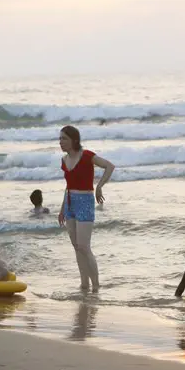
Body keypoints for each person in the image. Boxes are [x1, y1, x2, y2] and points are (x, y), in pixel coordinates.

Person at [58, 125, 116, 292]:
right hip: (69, 202)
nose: (61, 142)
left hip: (85, 201)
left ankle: (96, 285)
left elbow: (109, 166)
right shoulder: (63, 160)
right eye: (60, 139)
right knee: (76, 247)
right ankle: (84, 283)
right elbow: (67, 186)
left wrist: (99, 187)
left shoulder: (87, 156)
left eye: (64, 139)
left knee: (84, 246)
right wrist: (62, 209)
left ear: (74, 140)